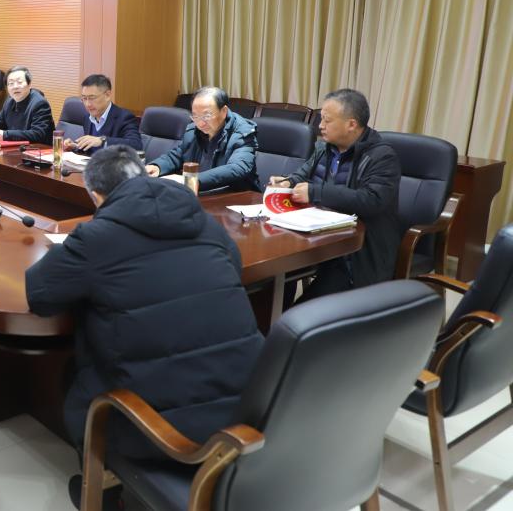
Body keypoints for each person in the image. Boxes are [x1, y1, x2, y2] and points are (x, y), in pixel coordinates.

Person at [25, 146, 263, 506]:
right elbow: (233, 264)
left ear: (96, 196)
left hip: (166, 431)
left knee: (78, 371)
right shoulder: (200, 220)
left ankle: (103, 494)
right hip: (248, 408)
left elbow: (40, 294)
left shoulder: (96, 237)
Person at [269, 88, 402, 301]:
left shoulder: (382, 157)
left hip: (352, 255)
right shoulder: (325, 147)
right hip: (317, 239)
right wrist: (288, 182)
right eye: (321, 118)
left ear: (351, 124)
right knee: (273, 276)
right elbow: (304, 174)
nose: (320, 125)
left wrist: (315, 192)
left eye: (327, 120)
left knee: (304, 311)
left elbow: (372, 200)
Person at [145, 86, 259, 192]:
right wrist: (157, 167)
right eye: (195, 116)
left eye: (207, 116)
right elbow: (179, 154)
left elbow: (238, 168)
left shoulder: (243, 132)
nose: (200, 123)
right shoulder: (194, 129)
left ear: (224, 111)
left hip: (235, 196)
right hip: (202, 192)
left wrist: (191, 180)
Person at [63, 74, 142, 155]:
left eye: (92, 98)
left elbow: (136, 145)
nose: (87, 104)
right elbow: (91, 149)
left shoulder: (124, 117)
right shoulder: (87, 117)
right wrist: (75, 147)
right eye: (84, 98)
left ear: (107, 95)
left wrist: (103, 141)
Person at [0, 65, 54, 144]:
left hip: (39, 148)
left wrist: (5, 135)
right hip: (17, 147)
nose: (15, 87)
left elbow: (38, 134)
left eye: (19, 82)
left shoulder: (39, 103)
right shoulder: (9, 101)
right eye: (11, 83)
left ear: (29, 84)